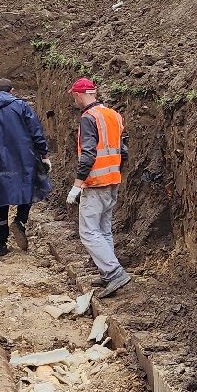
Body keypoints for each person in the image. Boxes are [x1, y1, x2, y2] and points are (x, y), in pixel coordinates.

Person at [66, 77, 133, 295]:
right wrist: (115, 172)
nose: (74, 100)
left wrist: (77, 185)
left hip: (96, 182)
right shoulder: (113, 115)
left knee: (88, 232)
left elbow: (88, 154)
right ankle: (107, 273)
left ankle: (114, 273)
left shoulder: (88, 118)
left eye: (74, 96)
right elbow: (124, 151)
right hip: (112, 179)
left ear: (78, 95)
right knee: (103, 230)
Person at [0, 78, 50, 257]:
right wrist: (44, 154)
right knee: (28, 187)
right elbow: (36, 132)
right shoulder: (21, 106)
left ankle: (0, 245)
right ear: (12, 91)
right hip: (22, 158)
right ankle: (20, 221)